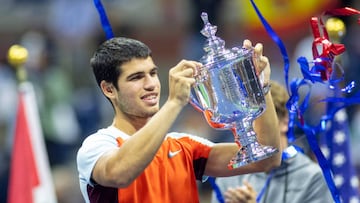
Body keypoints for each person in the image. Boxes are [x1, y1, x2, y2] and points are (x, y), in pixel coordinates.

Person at [76, 37, 281, 203]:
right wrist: (174, 102)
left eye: (153, 73)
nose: (151, 84)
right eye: (136, 77)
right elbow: (120, 173)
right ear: (109, 89)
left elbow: (266, 159)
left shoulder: (184, 146)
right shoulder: (97, 146)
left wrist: (260, 86)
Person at [211, 80, 333, 203]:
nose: (250, 131)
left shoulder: (314, 178)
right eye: (244, 122)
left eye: (257, 120)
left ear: (285, 122)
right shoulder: (228, 178)